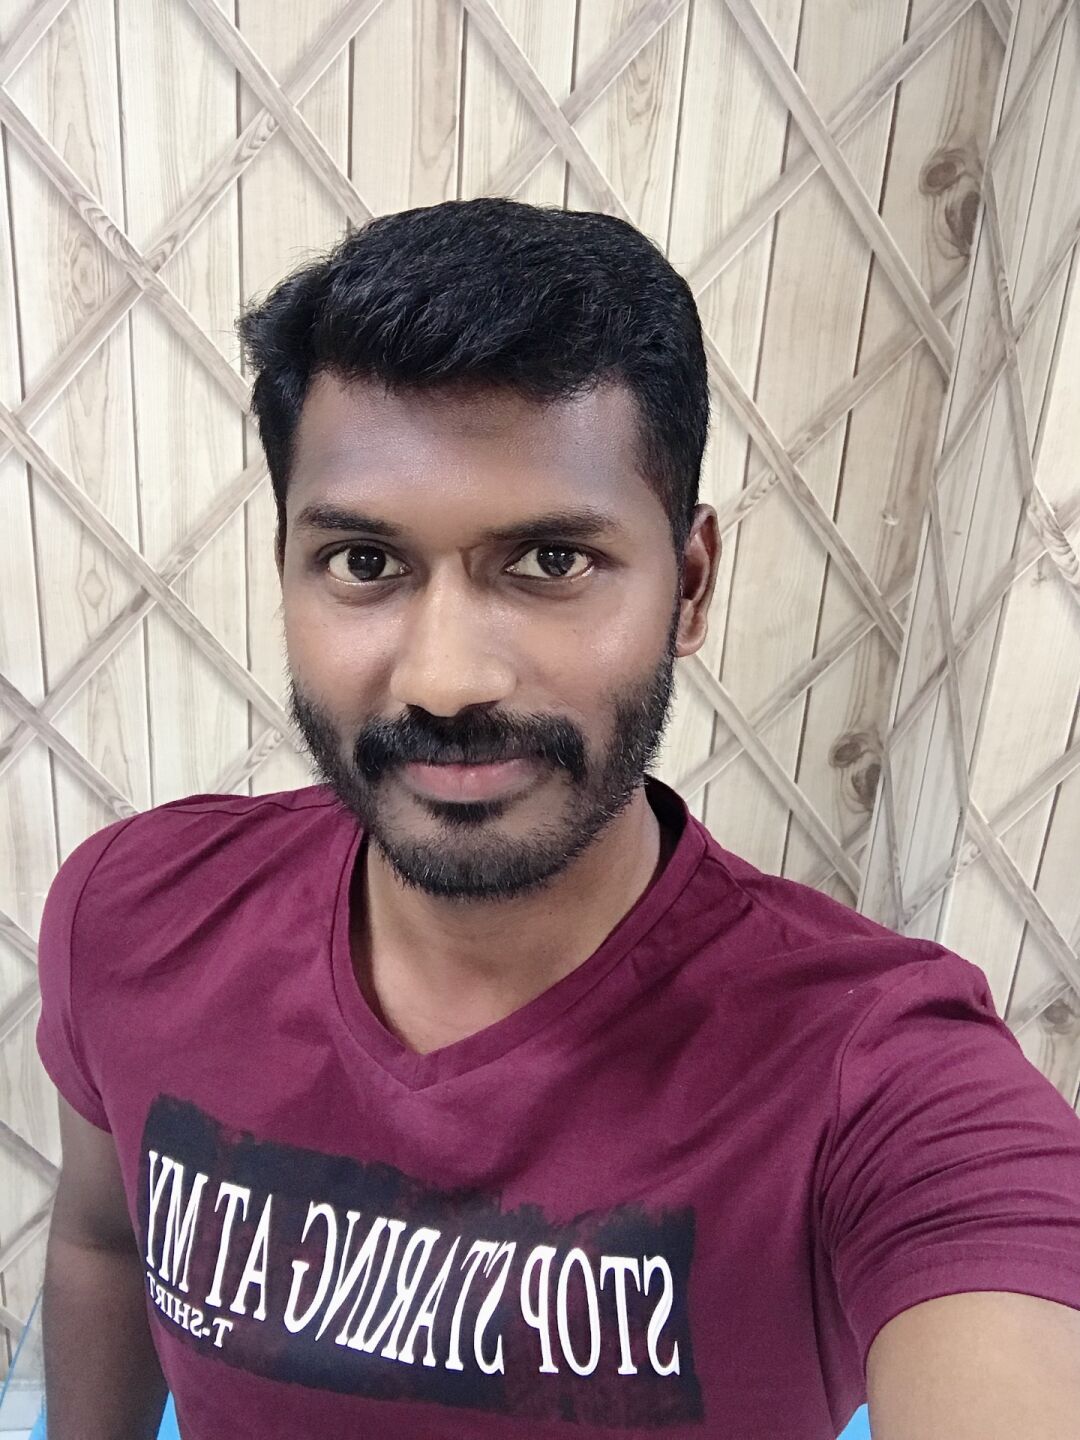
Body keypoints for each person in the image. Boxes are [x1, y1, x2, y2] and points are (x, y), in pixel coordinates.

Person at [36, 197, 1080, 1440]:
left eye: (550, 563)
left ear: (689, 585)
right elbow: (102, 1238)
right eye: (365, 563)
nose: (445, 680)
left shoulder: (872, 1081)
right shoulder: (136, 915)